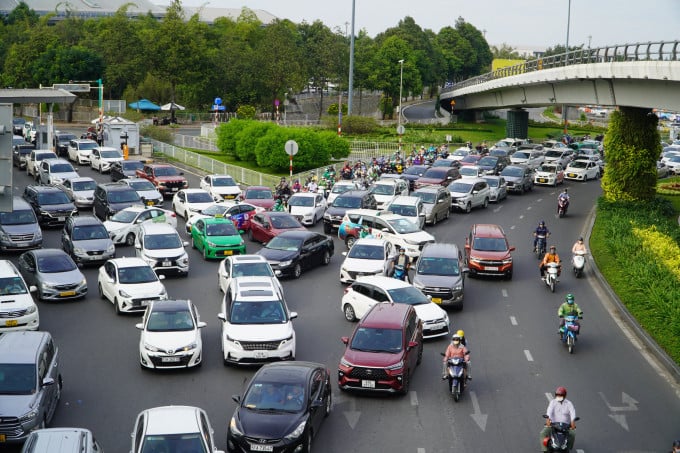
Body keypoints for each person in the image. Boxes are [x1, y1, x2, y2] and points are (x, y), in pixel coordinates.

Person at [540, 386, 577, 452]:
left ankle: (568, 448)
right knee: (542, 433)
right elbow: (549, 411)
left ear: (564, 396)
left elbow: (572, 413)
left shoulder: (569, 404)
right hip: (553, 425)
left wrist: (572, 422)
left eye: (560, 395)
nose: (558, 397)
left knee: (572, 434)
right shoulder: (553, 402)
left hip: (565, 426)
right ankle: (544, 450)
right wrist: (548, 420)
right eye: (557, 395)